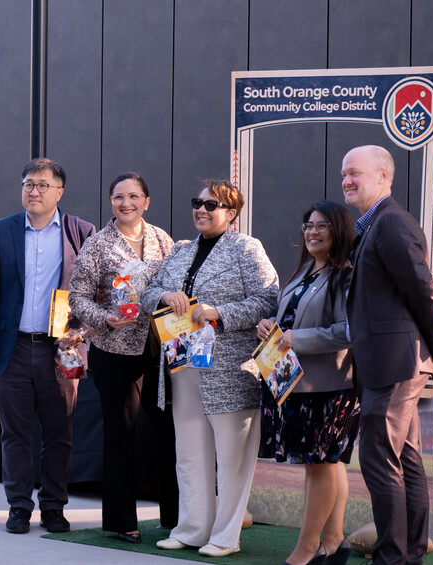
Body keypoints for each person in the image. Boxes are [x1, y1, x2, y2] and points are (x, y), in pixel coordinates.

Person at [141, 179, 278, 558]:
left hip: (230, 367)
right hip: (182, 362)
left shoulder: (246, 248)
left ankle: (225, 535)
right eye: (196, 202)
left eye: (211, 205)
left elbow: (269, 297)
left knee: (231, 455)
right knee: (188, 451)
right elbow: (148, 291)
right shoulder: (181, 250)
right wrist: (163, 296)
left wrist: (220, 313)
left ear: (232, 213)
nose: (201, 209)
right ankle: (192, 528)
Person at [341, 145, 433, 565]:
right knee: (403, 460)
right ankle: (406, 555)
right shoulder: (373, 226)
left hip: (393, 363)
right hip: (389, 362)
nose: (347, 181)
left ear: (384, 176)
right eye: (343, 175)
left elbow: (422, 289)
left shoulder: (391, 223)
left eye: (355, 173)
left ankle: (392, 557)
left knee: (378, 460)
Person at [0, 158, 96, 535]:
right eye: (28, 183)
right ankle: (19, 507)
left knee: (60, 432)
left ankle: (54, 507)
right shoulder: (2, 230)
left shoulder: (82, 232)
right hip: (12, 348)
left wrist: (85, 331)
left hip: (61, 349)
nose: (34, 191)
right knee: (15, 433)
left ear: (60, 192)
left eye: (43, 185)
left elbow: (94, 290)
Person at [68, 172, 178, 543]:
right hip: (114, 350)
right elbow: (77, 296)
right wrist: (104, 319)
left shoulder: (164, 240)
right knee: (120, 434)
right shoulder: (98, 244)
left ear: (147, 200)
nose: (126, 203)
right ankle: (120, 521)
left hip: (159, 347)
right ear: (110, 202)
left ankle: (177, 517)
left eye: (134, 196)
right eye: (118, 197)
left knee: (169, 431)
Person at [257, 200, 360, 565]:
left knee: (324, 464)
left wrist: (293, 339)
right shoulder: (305, 271)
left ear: (339, 230)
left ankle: (307, 548)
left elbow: (346, 332)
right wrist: (270, 325)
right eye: (308, 226)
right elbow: (291, 316)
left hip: (331, 385)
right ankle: (333, 541)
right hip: (295, 381)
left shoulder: (346, 275)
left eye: (322, 226)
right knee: (323, 465)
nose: (312, 232)